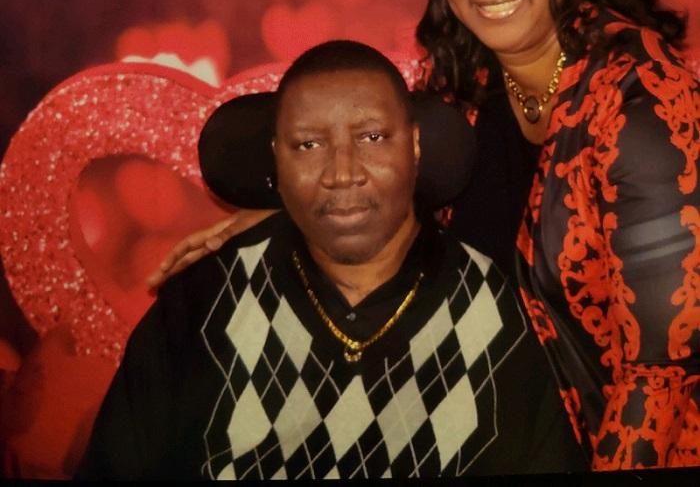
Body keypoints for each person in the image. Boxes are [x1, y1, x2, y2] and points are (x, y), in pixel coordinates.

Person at [148, 0, 700, 470]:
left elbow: (663, 373)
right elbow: (378, 180)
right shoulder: (462, 90)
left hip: (618, 446)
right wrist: (290, 218)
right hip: (496, 438)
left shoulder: (643, 101)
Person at [77, 41, 584, 479]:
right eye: (309, 144)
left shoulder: (490, 307)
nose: (342, 173)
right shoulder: (206, 301)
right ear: (277, 156)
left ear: (414, 145)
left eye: (371, 138)